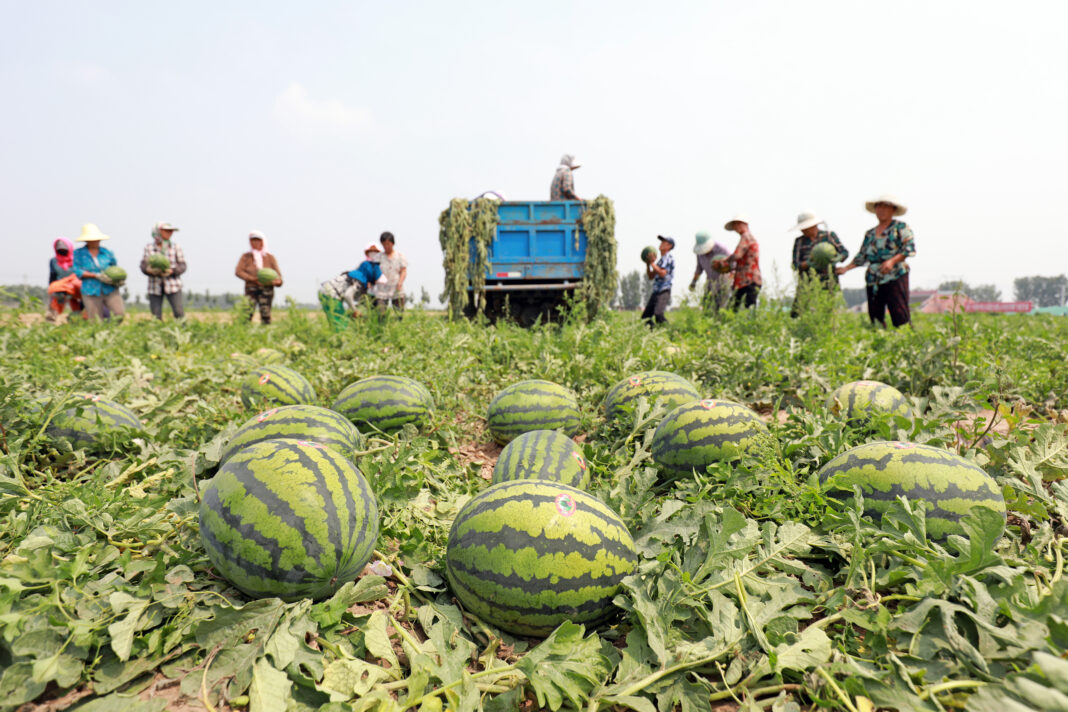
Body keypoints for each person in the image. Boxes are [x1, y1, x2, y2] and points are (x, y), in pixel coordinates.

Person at [837, 195, 916, 328]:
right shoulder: (870, 234)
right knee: (875, 316)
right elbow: (862, 256)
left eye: (886, 207)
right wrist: (846, 268)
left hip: (895, 275)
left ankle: (907, 342)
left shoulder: (900, 228)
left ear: (893, 210)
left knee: (900, 314)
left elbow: (909, 249)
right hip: (874, 278)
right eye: (879, 207)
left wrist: (891, 261)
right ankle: (879, 340)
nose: (882, 210)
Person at [789, 211, 849, 317]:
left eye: (806, 227)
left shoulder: (829, 236)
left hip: (828, 281)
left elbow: (844, 253)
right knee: (798, 313)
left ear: (814, 225)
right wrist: (809, 263)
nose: (804, 230)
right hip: (807, 283)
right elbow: (795, 265)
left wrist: (836, 259)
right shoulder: (799, 241)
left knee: (828, 312)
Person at [319, 243, 385, 330]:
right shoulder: (360, 279)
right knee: (342, 326)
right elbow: (348, 295)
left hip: (325, 291)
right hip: (332, 295)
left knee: (336, 323)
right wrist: (355, 310)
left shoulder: (358, 272)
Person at [72, 223, 126, 321]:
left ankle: (110, 330)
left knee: (119, 314)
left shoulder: (107, 253)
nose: (96, 241)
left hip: (110, 288)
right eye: (92, 239)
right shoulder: (78, 254)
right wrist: (96, 276)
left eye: (97, 239)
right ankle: (101, 334)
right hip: (90, 290)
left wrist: (117, 279)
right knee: (95, 320)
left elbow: (114, 267)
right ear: (87, 240)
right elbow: (77, 271)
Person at [140, 221, 187, 320]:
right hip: (154, 285)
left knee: (179, 312)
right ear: (158, 231)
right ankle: (159, 333)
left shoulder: (175, 247)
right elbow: (143, 266)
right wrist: (150, 271)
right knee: (156, 315)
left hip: (173, 285)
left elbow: (183, 265)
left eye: (171, 231)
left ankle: (182, 333)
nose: (170, 233)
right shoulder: (149, 248)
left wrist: (172, 271)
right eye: (167, 231)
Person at [235, 230, 283, 324]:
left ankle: (266, 334)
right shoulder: (246, 257)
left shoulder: (269, 257)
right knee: (247, 313)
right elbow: (238, 271)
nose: (255, 243)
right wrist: (253, 279)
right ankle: (244, 333)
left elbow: (278, 276)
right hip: (251, 288)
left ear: (263, 242)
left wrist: (277, 282)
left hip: (267, 289)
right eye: (252, 240)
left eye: (257, 240)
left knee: (266, 314)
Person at [723, 214, 762, 309]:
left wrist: (725, 261)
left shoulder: (746, 236)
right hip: (744, 279)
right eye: (735, 226)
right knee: (735, 307)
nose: (736, 228)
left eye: (737, 224)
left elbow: (737, 255)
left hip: (749, 279)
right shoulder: (749, 237)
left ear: (744, 224)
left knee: (746, 308)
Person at [689, 232, 731, 312]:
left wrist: (721, 264)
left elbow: (733, 264)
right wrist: (693, 282)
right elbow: (699, 268)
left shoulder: (721, 249)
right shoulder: (700, 253)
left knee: (721, 309)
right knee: (707, 308)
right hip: (710, 283)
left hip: (723, 283)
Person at [642, 235, 675, 326]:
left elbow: (662, 273)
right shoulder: (660, 261)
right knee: (645, 318)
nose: (661, 244)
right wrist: (648, 265)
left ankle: (669, 331)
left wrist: (652, 263)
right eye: (661, 242)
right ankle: (653, 335)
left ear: (669, 246)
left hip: (664, 291)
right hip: (656, 291)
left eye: (664, 242)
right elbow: (651, 276)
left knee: (658, 313)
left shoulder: (668, 258)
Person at [46, 237, 82, 321]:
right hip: (61, 288)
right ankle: (50, 320)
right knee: (56, 301)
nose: (62, 251)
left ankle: (77, 318)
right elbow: (52, 276)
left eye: (64, 250)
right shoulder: (53, 261)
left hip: (75, 286)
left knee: (78, 305)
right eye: (60, 250)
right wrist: (52, 288)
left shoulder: (77, 260)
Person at [376, 231, 407, 315]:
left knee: (399, 313)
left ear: (392, 243)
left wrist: (400, 282)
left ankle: (399, 327)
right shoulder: (378, 257)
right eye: (384, 244)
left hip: (396, 288)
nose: (386, 246)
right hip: (382, 289)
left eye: (388, 244)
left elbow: (403, 270)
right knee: (380, 314)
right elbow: (374, 271)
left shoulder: (400, 256)